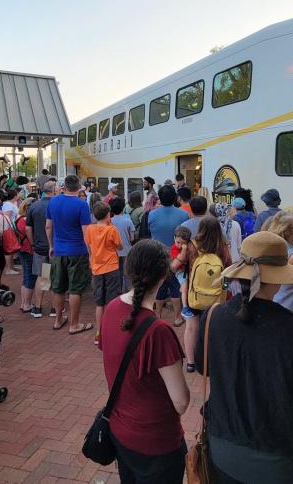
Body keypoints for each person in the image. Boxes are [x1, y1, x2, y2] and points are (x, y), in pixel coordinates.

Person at [196, 232, 293, 484]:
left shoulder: (213, 316)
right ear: (279, 280)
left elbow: (203, 367)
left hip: (223, 451)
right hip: (284, 463)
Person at [99, 240, 189, 483]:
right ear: (163, 275)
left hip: (121, 431)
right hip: (156, 441)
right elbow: (181, 402)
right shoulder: (159, 330)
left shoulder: (111, 308)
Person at [172, 216, 231, 373]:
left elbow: (175, 266)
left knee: (191, 327)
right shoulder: (222, 246)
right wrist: (224, 290)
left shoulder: (192, 245)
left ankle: (191, 363)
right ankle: (212, 361)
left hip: (195, 295)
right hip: (216, 297)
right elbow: (228, 270)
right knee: (213, 327)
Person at [45, 174, 95, 334]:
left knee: (58, 287)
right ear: (79, 186)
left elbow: (48, 226)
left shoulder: (53, 201)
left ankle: (58, 319)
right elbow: (86, 232)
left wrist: (51, 245)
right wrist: (91, 254)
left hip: (59, 251)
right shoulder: (82, 205)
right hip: (77, 251)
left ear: (64, 186)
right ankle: (74, 324)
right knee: (75, 289)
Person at [147, 185, 190, 326]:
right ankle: (177, 317)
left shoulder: (152, 214)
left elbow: (149, 233)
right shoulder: (183, 215)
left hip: (157, 256)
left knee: (159, 287)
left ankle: (158, 315)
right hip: (176, 258)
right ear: (175, 198)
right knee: (176, 288)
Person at [85, 201, 124, 343]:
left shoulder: (90, 229)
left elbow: (89, 245)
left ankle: (98, 332)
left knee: (99, 302)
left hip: (96, 268)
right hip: (111, 267)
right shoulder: (112, 229)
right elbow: (120, 247)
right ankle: (110, 331)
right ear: (108, 215)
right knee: (111, 301)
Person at [26, 181, 56, 318]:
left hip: (40, 246)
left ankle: (38, 307)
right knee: (56, 277)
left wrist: (33, 243)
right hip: (55, 247)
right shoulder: (56, 205)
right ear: (54, 190)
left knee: (42, 275)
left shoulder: (34, 206)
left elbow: (28, 228)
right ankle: (55, 308)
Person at [14, 197, 39, 315]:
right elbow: (29, 232)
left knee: (26, 277)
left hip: (22, 249)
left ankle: (24, 303)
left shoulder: (19, 218)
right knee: (30, 277)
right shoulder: (25, 220)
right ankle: (27, 304)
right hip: (28, 249)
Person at [109, 196, 135, 290]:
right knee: (127, 273)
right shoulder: (128, 221)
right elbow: (132, 238)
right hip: (127, 251)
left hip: (114, 252)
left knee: (116, 273)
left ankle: (118, 291)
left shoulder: (109, 222)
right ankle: (128, 292)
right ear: (123, 207)